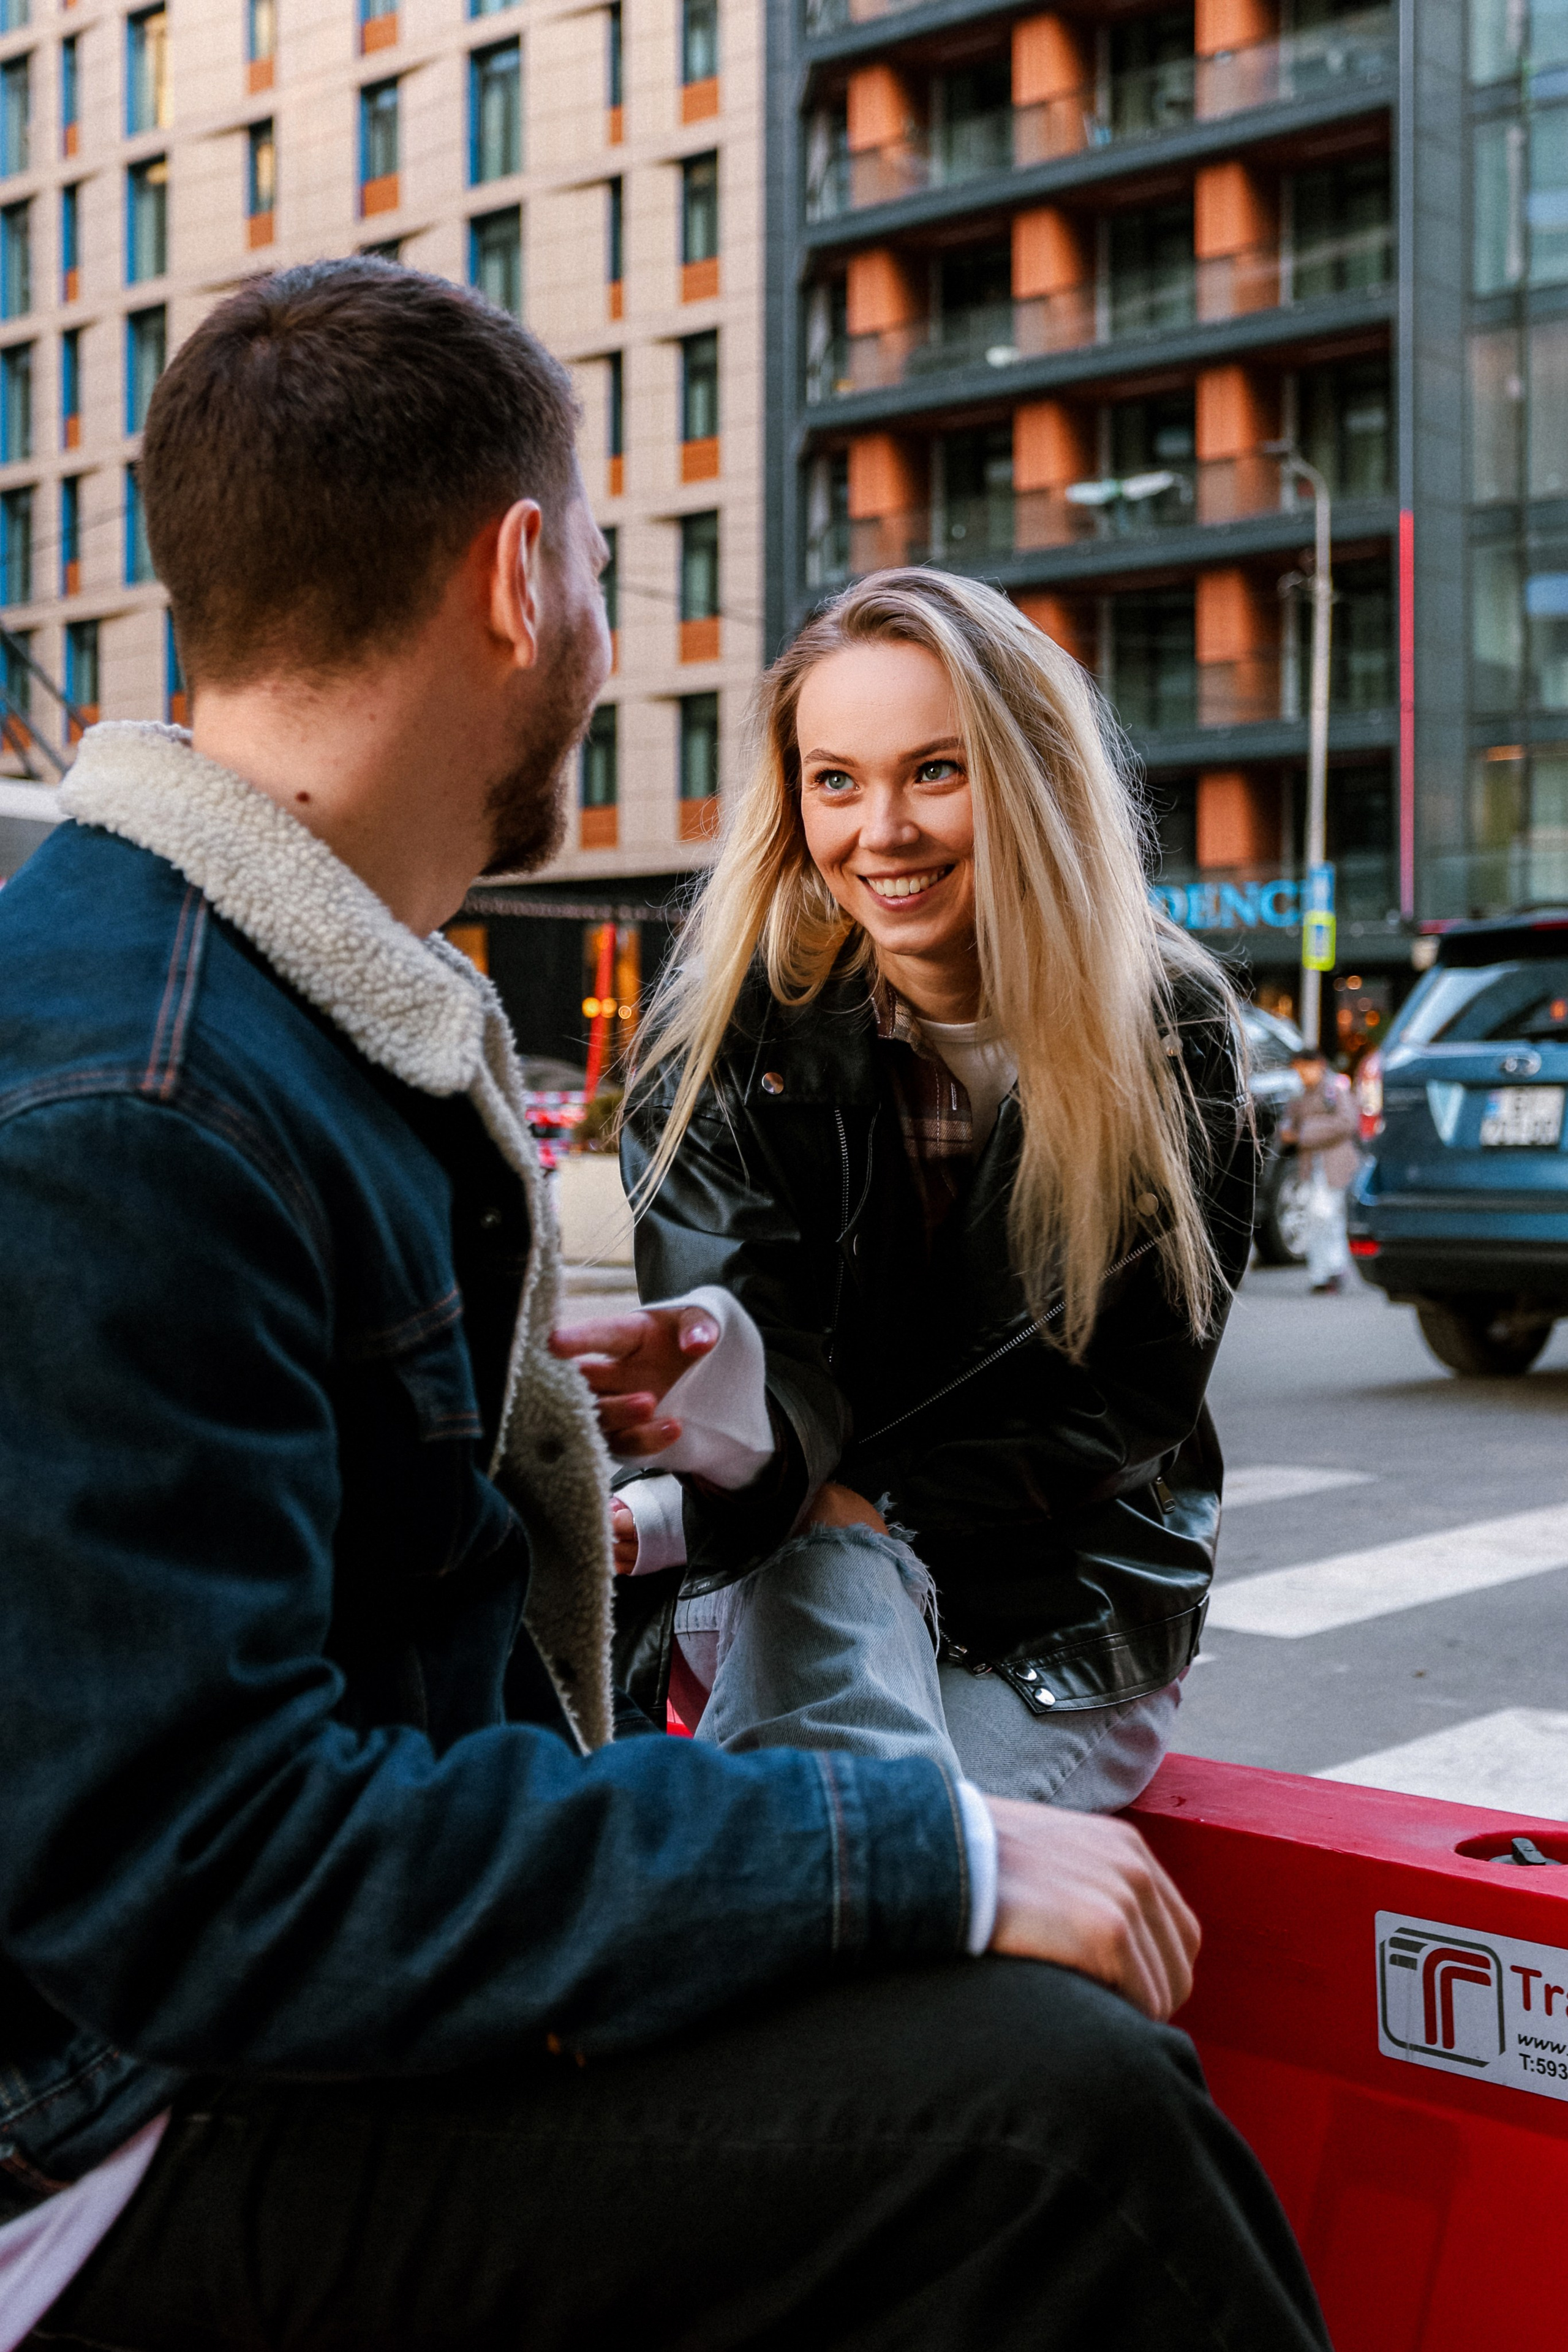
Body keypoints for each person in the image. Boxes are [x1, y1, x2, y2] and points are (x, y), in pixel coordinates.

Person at [0, 261, 1327, 2352]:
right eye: (613, 566)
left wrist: (637, 1454)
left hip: (227, 2031)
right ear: (522, 576)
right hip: (117, 2148)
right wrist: (911, 1854)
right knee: (1061, 2133)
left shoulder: (248, 1005)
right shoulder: (145, 1088)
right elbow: (213, 1874)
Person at [587, 571, 1254, 1815]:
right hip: (779, 1550)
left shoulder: (1170, 1030)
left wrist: (873, 1503)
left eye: (934, 771)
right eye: (834, 778)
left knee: (862, 1844)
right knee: (851, 1738)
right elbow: (753, 1361)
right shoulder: (729, 1033)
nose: (877, 830)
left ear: (1031, 778)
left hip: (1057, 1597)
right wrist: (692, 1500)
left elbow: (1124, 1402)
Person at [1282, 1050, 1360, 1294]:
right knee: (1315, 1217)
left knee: (1329, 1217)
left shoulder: (1334, 1089)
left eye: (1306, 1068)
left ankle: (1334, 1269)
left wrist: (1304, 1133)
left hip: (1333, 1163)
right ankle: (1321, 1272)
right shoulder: (1299, 1094)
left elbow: (1347, 1123)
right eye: (1298, 1069)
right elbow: (1288, 1125)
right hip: (1310, 1165)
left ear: (1319, 1065)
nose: (1302, 1074)